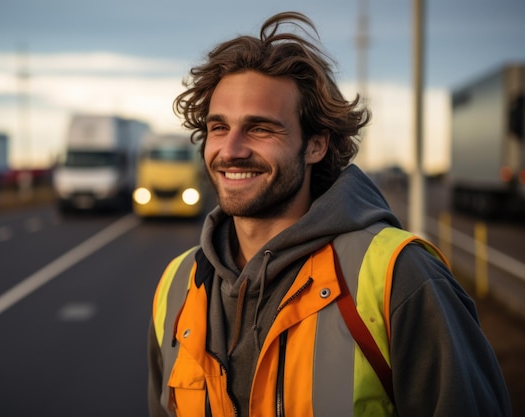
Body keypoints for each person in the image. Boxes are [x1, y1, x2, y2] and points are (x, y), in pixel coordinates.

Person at [147, 11, 511, 417]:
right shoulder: (177, 286)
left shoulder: (399, 277)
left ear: (317, 145)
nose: (230, 150)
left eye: (260, 129)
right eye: (218, 127)